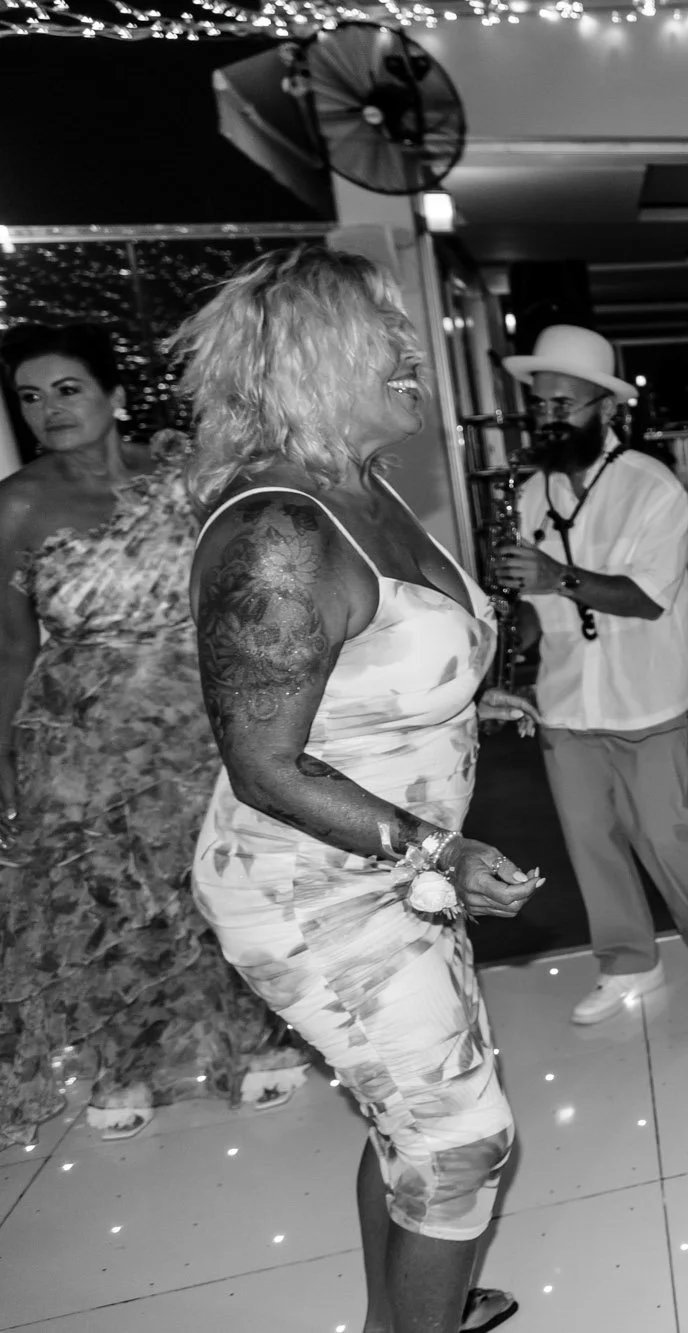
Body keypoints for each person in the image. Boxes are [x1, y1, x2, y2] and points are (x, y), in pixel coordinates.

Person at [178, 247, 536, 1333]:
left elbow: (363, 670)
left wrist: (461, 706)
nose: (411, 351)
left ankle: (402, 1317)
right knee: (462, 1140)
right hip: (312, 891)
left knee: (411, 1131)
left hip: (390, 876)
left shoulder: (362, 489)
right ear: (310, 358)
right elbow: (266, 762)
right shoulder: (280, 534)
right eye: (384, 330)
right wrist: (439, 850)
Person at [0, 324, 306, 1148]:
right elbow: (9, 649)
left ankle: (258, 1039)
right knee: (111, 902)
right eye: (31, 396)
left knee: (220, 882)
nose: (49, 410)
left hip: (199, 717)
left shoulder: (182, 479)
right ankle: (122, 1063)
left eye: (66, 389)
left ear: (114, 394)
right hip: (80, 739)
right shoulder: (16, 504)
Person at [493, 324, 688, 1023]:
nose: (547, 417)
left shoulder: (651, 487)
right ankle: (630, 962)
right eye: (538, 405)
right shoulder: (532, 492)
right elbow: (540, 609)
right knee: (589, 839)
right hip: (564, 703)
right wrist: (506, 655)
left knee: (670, 834)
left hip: (646, 699)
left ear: (605, 406)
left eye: (561, 404)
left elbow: (645, 595)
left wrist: (555, 574)